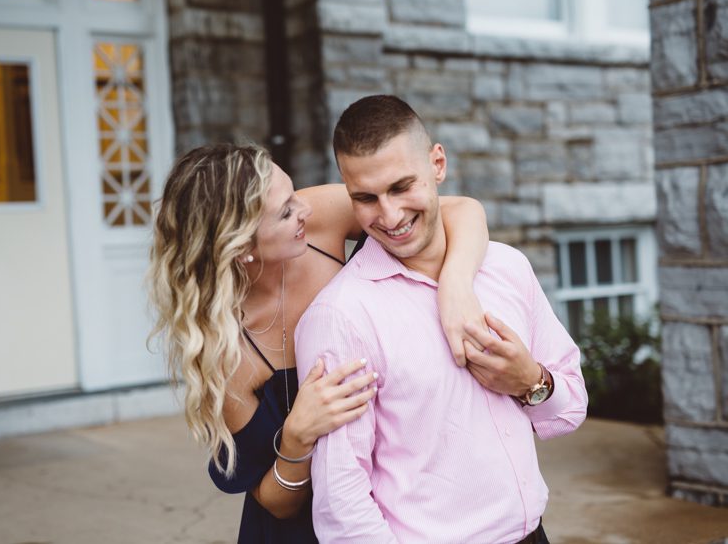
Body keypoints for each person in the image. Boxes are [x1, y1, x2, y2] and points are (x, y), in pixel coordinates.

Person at [147, 143, 491, 543]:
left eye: (293, 195)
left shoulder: (315, 219)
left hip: (409, 496)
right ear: (240, 247)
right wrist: (297, 435)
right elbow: (275, 502)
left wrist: (456, 286)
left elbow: (461, 209)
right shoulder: (225, 353)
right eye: (286, 212)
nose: (304, 210)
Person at [294, 95, 588, 544]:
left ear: (438, 164)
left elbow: (570, 409)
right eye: (366, 198)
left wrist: (530, 380)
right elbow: (341, 501)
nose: (390, 216)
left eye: (400, 187)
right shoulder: (341, 316)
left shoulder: (506, 267)